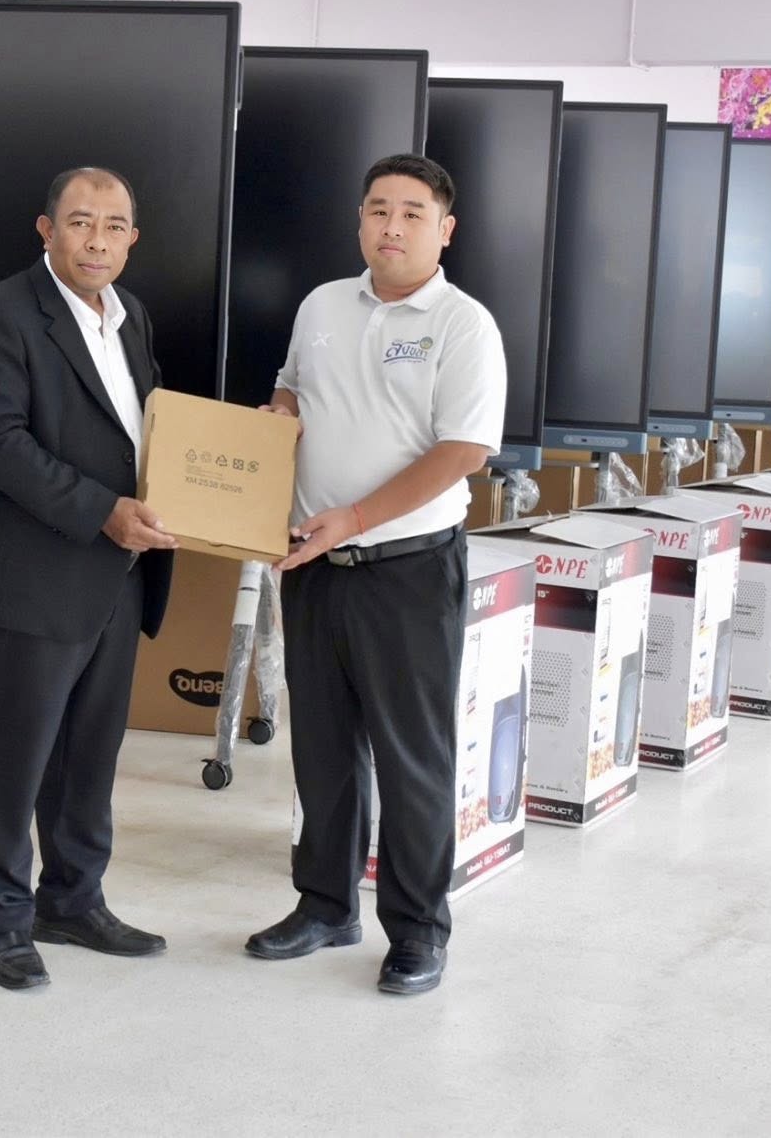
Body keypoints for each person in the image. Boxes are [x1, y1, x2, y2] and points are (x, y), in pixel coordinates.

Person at [246, 153, 506, 996]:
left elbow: (462, 452)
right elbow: (291, 391)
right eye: (377, 210)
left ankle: (418, 930)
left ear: (445, 229)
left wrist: (355, 518)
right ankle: (325, 905)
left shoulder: (464, 326)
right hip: (314, 564)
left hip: (409, 570)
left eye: (411, 213)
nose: (391, 227)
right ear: (359, 219)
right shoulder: (322, 304)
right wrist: (274, 424)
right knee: (322, 750)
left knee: (410, 759)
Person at [0, 166, 178, 991]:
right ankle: (0, 920)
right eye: (80, 223)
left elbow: (143, 432)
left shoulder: (130, 316)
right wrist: (104, 511)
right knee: (9, 759)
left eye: (114, 227)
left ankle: (73, 900)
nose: (97, 241)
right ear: (47, 229)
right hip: (32, 579)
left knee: (89, 755)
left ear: (132, 240)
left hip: (116, 576)